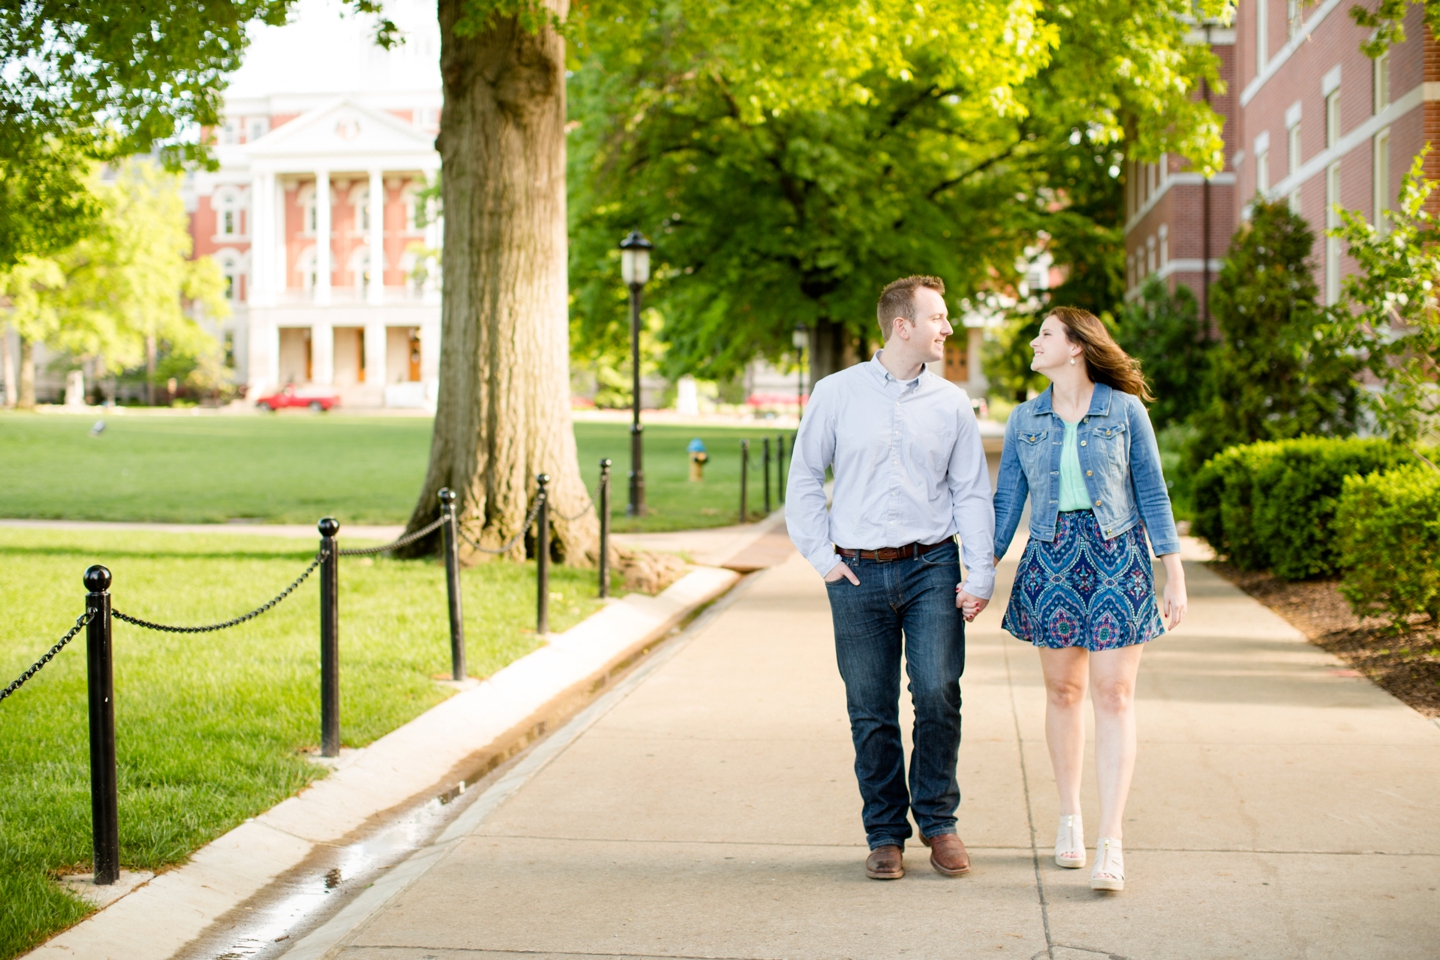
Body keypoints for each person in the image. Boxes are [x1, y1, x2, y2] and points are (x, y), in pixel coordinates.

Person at [786, 275, 995, 881]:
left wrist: (978, 574)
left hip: (932, 564)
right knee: (870, 708)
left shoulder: (952, 403)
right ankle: (884, 832)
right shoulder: (835, 394)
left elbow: (971, 493)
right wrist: (824, 559)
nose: (947, 328)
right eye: (938, 317)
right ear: (902, 325)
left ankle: (938, 820)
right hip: (856, 573)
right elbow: (804, 479)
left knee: (937, 691)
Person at [992, 306, 1187, 893]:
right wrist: (978, 573)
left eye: (1045, 334)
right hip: (1052, 556)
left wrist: (1172, 573)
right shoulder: (1025, 419)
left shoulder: (1124, 411)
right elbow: (1006, 505)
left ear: (1076, 346)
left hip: (1116, 556)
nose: (1035, 341)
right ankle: (1070, 819)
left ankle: (1111, 839)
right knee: (1063, 691)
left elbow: (1152, 490)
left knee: (1115, 694)